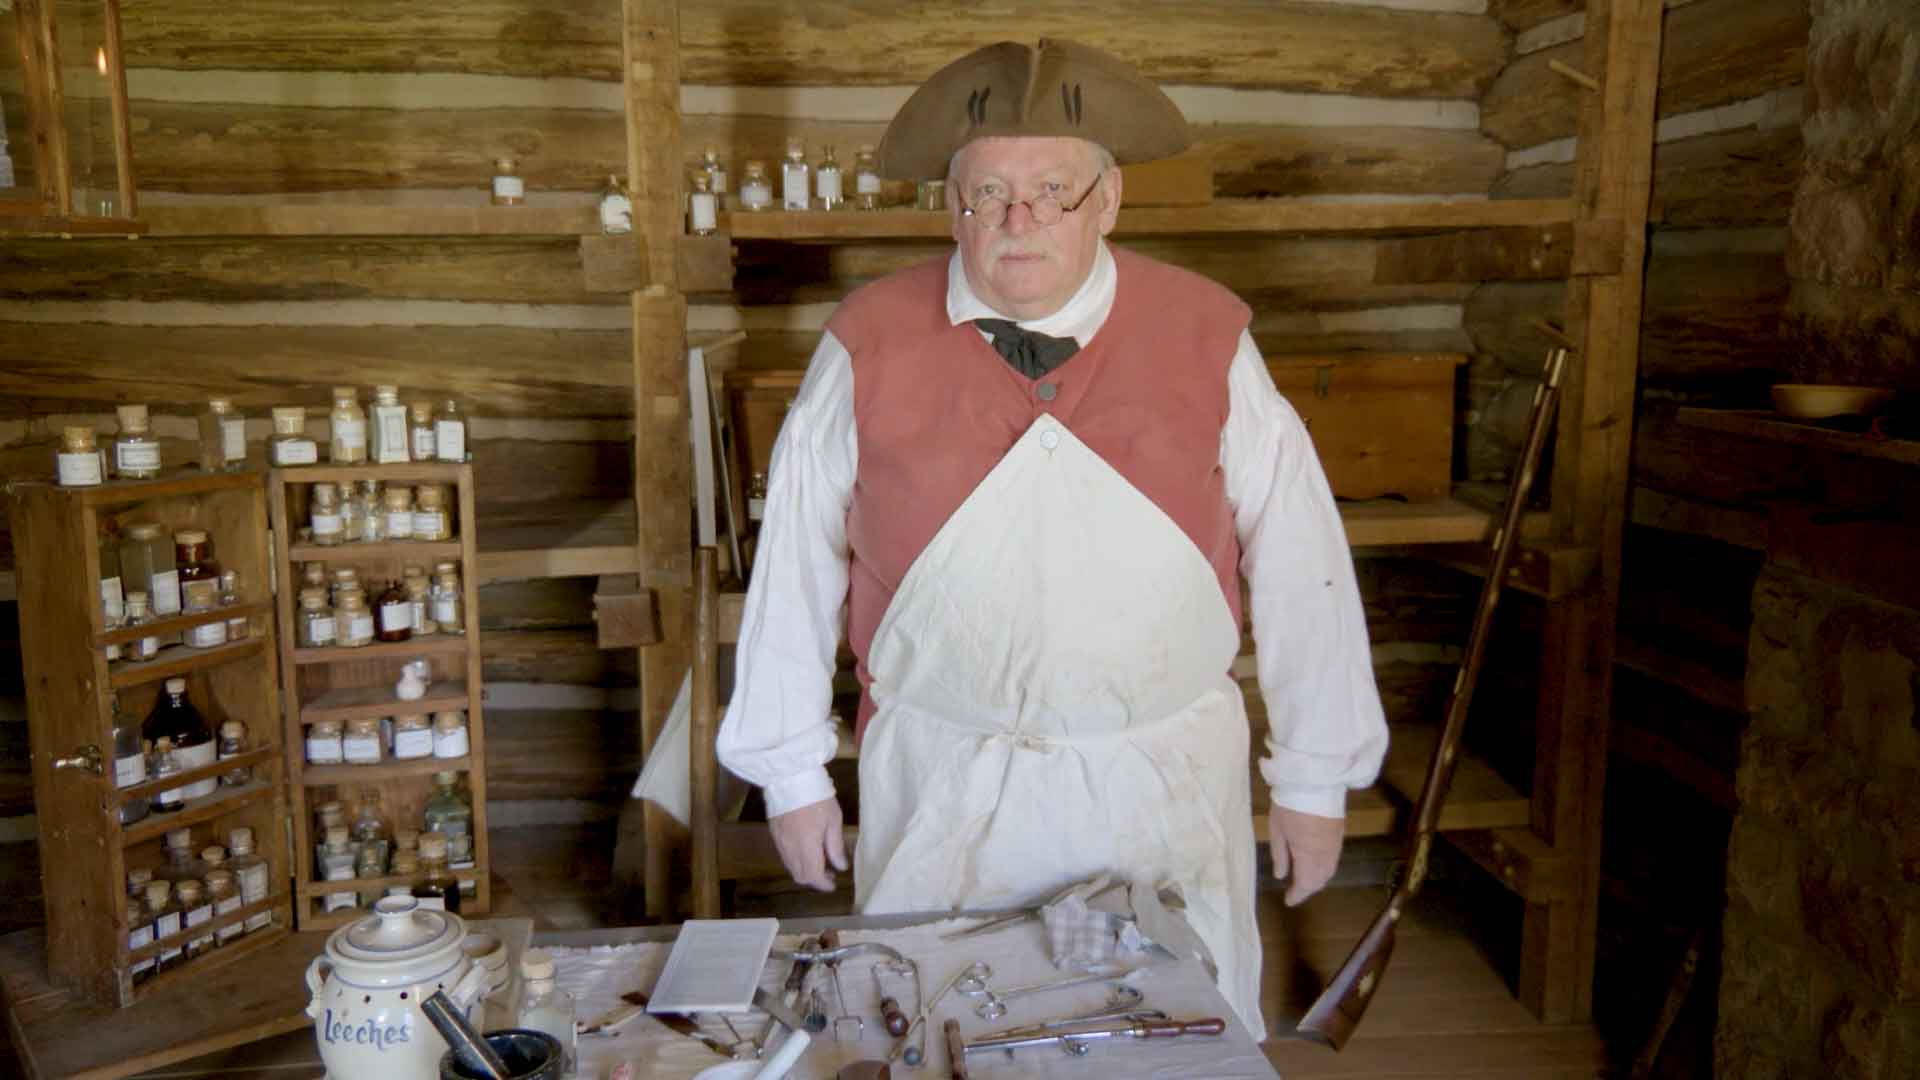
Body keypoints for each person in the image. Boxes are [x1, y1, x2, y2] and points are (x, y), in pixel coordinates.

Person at [715, 38, 1387, 1040]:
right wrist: (790, 771)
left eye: (1051, 192)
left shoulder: (1205, 335)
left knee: (1169, 1046)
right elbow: (798, 564)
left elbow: (1300, 559)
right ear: (953, 208)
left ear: (1107, 202)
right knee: (935, 1030)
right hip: (949, 785)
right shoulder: (866, 341)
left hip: (1158, 785)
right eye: (987, 195)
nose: (1017, 221)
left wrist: (1315, 777)